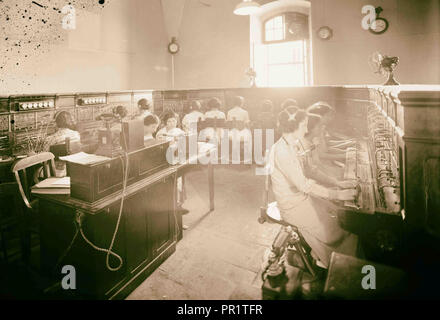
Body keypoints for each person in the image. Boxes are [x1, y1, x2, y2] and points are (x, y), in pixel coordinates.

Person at [269, 107, 358, 268]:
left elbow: (310, 170)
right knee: (335, 231)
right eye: (303, 125)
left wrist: (338, 185)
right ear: (293, 126)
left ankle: (325, 257)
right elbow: (304, 185)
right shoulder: (281, 151)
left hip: (302, 198)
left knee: (339, 215)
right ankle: (339, 267)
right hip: (292, 205)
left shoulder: (292, 144)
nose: (306, 128)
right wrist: (338, 195)